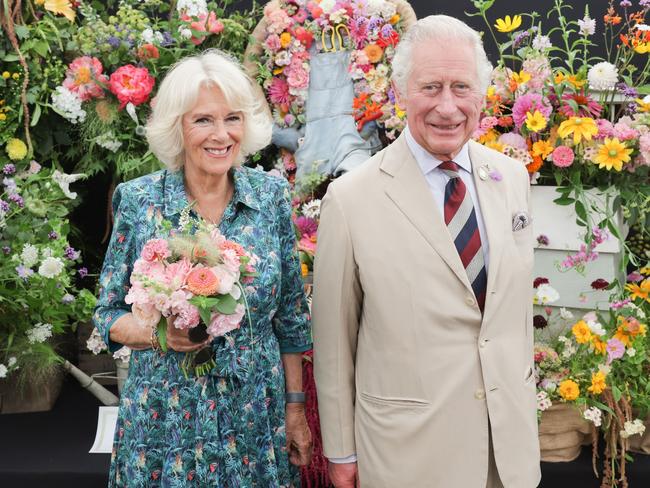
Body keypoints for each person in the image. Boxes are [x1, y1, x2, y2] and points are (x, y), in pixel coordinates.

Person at [312, 15, 541, 488]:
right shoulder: (352, 198)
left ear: (482, 95)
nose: (447, 106)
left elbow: (509, 317)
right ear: (400, 92)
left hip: (508, 455)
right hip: (408, 458)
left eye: (462, 87)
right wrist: (340, 450)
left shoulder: (512, 179)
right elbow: (334, 341)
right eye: (430, 87)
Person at [93, 50, 313, 487]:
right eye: (203, 120)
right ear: (177, 126)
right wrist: (158, 332)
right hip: (165, 423)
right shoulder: (140, 202)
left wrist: (294, 409)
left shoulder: (269, 198)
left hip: (255, 418)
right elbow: (107, 314)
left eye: (232, 118)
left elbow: (290, 318)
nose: (221, 134)